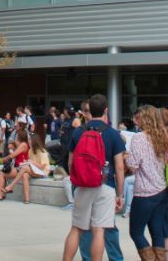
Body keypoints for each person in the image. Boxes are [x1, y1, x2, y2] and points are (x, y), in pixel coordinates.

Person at [62, 93, 127, 261]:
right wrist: (119, 194)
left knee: (76, 229)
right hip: (105, 186)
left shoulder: (78, 132)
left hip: (82, 185)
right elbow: (119, 167)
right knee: (99, 230)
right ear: (106, 110)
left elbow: (70, 162)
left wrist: (76, 180)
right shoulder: (113, 134)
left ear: (89, 110)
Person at [126, 105, 168, 261]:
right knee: (157, 231)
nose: (136, 119)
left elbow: (133, 165)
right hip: (162, 189)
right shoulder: (164, 137)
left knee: (136, 232)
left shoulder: (138, 138)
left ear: (145, 118)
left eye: (138, 117)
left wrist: (126, 157)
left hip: (144, 192)